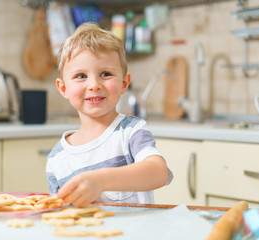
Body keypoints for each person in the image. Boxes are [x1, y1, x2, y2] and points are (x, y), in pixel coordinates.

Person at [46, 22, 173, 207]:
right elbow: (57, 211)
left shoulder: (131, 132)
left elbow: (158, 172)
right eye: (81, 76)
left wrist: (100, 180)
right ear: (63, 88)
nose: (94, 85)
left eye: (105, 73)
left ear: (124, 83)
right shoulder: (56, 159)